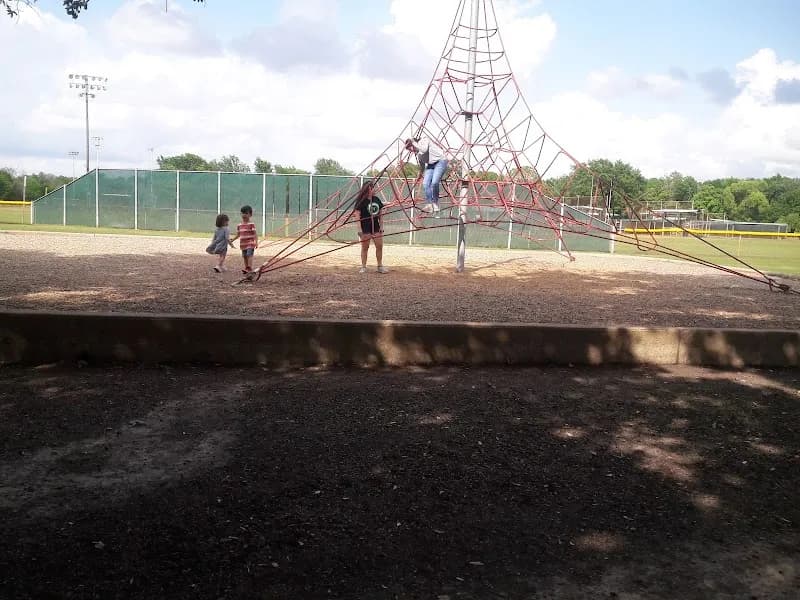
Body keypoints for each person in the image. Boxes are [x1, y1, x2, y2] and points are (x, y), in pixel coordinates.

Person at [404, 136, 448, 214]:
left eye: (410, 147)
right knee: (425, 183)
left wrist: (413, 142)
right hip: (431, 165)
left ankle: (435, 203)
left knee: (434, 182)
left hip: (440, 161)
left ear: (414, 143)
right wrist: (420, 175)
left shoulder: (424, 140)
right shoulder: (419, 155)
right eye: (408, 149)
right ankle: (429, 204)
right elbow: (422, 167)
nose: (411, 150)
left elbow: (424, 150)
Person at [353, 181, 389, 274]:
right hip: (365, 228)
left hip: (376, 227)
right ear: (368, 189)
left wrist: (381, 226)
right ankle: (363, 267)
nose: (375, 189)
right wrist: (359, 230)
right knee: (365, 247)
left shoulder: (376, 199)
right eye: (373, 188)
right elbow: (357, 216)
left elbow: (381, 215)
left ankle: (380, 266)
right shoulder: (361, 201)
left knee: (379, 246)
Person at [230, 205, 258, 274]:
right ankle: (246, 268)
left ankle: (249, 268)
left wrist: (256, 242)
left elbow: (255, 234)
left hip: (250, 244)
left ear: (250, 214)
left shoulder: (251, 224)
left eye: (246, 213)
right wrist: (232, 240)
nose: (244, 215)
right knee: (245, 256)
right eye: (242, 213)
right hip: (243, 244)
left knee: (249, 254)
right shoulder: (239, 225)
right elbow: (238, 234)